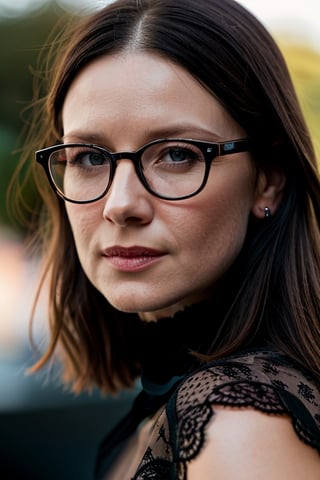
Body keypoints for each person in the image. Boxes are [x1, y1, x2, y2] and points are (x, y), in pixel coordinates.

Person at [14, 0, 320, 478]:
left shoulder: (241, 424)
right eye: (90, 159)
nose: (120, 204)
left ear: (268, 180)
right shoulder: (185, 399)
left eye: (177, 154)